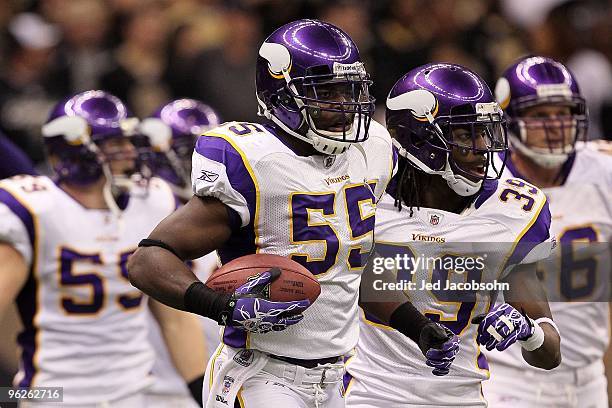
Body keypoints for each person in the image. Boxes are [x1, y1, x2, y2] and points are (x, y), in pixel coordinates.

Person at [128, 19, 456, 408]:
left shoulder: (373, 150)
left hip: (340, 374)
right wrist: (222, 307)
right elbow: (148, 259)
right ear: (281, 93)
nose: (344, 106)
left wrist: (415, 326)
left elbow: (346, 269)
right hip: (261, 373)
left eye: (350, 92)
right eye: (327, 93)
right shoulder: (255, 160)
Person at [344, 62, 561, 408]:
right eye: (464, 134)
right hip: (367, 393)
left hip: (461, 398)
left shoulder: (513, 210)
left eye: (484, 132)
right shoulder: (365, 196)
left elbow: (550, 354)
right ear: (420, 138)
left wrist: (528, 331)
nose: (482, 147)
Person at [0, 90, 205, 407]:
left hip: (134, 393)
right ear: (75, 149)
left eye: (127, 141)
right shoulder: (36, 209)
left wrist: (201, 392)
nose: (129, 152)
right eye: (114, 144)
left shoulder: (153, 202)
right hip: (55, 395)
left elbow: (175, 319)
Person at [483, 55, 612, 407]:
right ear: (508, 121)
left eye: (564, 113)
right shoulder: (482, 183)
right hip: (508, 378)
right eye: (540, 116)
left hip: (588, 379)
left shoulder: (603, 170)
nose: (556, 126)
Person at [138, 98, 222, 408]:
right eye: (191, 156)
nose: (201, 168)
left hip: (212, 379)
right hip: (149, 387)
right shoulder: (143, 210)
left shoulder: (223, 211)